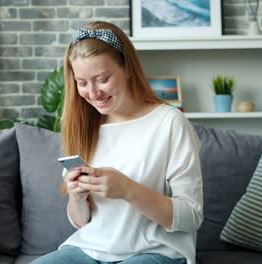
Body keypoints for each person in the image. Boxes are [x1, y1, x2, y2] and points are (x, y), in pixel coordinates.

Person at [31, 21, 203, 264]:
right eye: (82, 82)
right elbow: (81, 222)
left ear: (128, 69)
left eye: (103, 79)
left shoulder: (170, 123)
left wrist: (128, 189)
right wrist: (77, 197)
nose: (93, 92)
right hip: (89, 249)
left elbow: (191, 216)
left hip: (156, 252)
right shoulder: (84, 125)